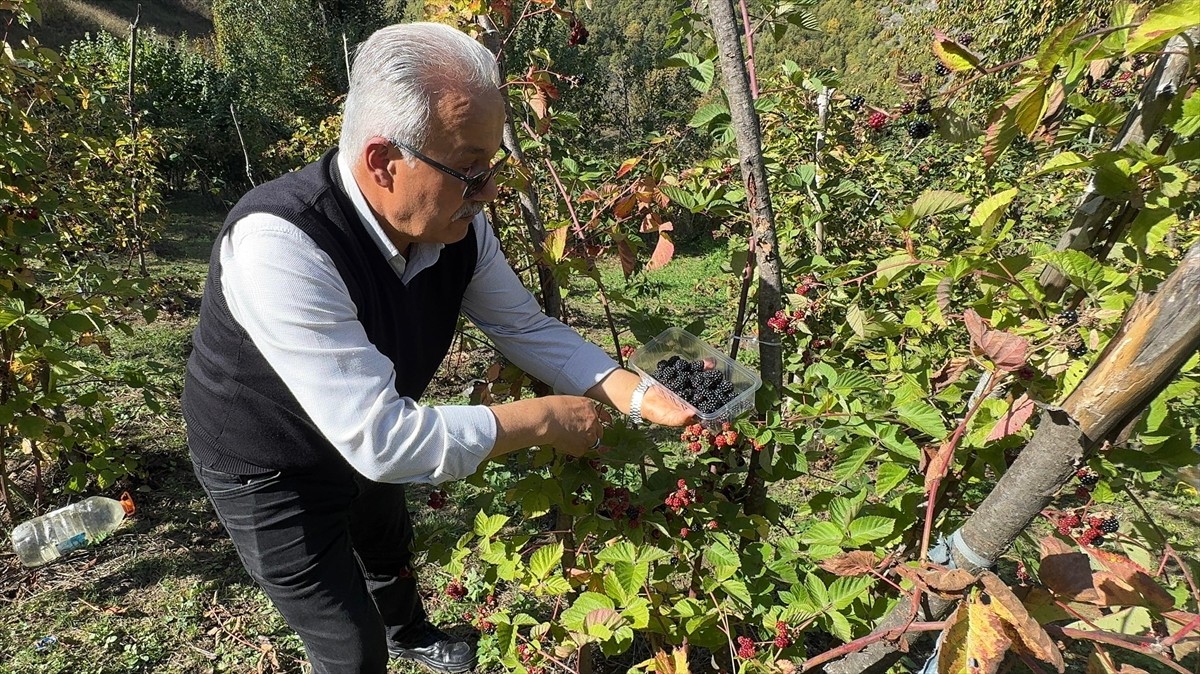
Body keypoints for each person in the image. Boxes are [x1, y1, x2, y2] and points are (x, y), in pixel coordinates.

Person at [181, 21, 693, 674]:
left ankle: (412, 635)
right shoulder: (279, 246)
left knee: (387, 549)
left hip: (370, 431)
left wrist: (642, 393)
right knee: (346, 645)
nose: (491, 193)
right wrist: (543, 420)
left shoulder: (453, 230)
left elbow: (524, 328)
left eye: (492, 169)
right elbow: (385, 441)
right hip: (268, 465)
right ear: (383, 162)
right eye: (471, 173)